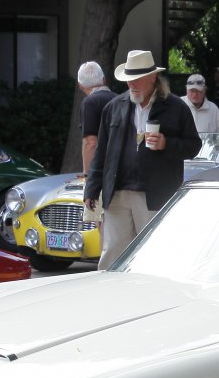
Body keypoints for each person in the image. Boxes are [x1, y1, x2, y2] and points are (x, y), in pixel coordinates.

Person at [84, 50, 202, 269]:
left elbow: (194, 146)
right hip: (117, 192)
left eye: (137, 78)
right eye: (129, 79)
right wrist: (91, 189)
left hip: (154, 193)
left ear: (153, 78)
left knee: (153, 253)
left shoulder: (175, 107)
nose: (132, 84)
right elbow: (102, 153)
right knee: (112, 253)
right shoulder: (114, 106)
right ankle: (108, 290)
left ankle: (149, 291)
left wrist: (166, 144)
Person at [77, 60, 113, 175]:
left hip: (102, 170)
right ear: (104, 80)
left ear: (80, 86)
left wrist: (87, 174)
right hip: (123, 168)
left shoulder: (89, 103)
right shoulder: (121, 100)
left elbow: (91, 143)